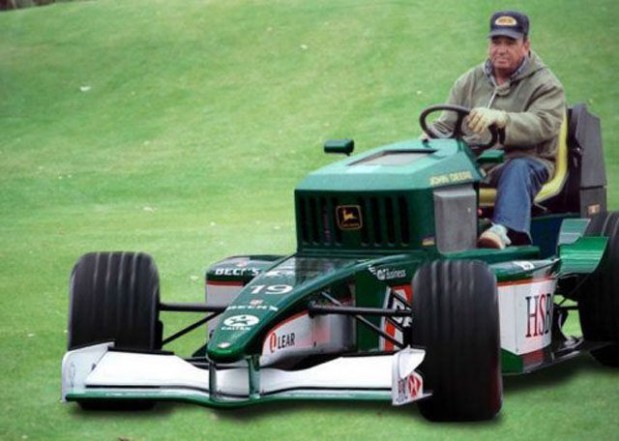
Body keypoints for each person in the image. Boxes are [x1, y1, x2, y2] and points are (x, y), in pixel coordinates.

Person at [426, 10, 566, 249]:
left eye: (510, 43)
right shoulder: (470, 80)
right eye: (496, 42)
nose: (501, 49)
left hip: (526, 161)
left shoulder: (546, 85)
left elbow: (544, 123)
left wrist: (503, 118)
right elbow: (445, 125)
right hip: (476, 164)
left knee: (518, 168)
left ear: (526, 45)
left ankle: (502, 231)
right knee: (429, 171)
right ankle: (428, 239)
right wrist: (425, 140)